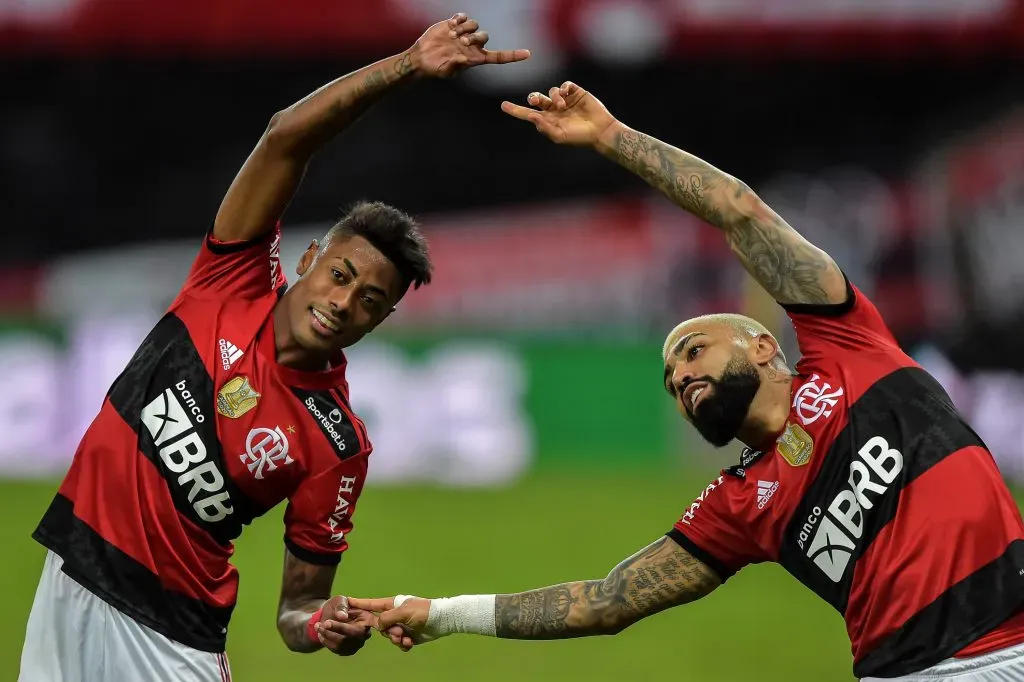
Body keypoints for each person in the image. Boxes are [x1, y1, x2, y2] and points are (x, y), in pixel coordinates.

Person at [348, 82, 1024, 681]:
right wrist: (442, 614)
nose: (682, 375)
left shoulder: (851, 347)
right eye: (672, 378)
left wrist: (612, 138)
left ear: (764, 346)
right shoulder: (737, 505)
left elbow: (740, 212)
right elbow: (606, 602)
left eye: (694, 351)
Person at [18, 14, 528, 682]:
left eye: (371, 301)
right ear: (310, 257)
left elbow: (299, 612)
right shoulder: (229, 280)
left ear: (384, 319)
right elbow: (285, 136)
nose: (345, 302)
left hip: (167, 639)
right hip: (69, 576)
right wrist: (406, 65)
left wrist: (324, 626)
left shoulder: (336, 445)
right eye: (341, 276)